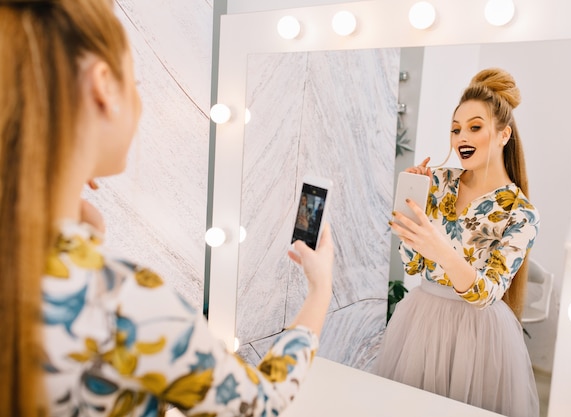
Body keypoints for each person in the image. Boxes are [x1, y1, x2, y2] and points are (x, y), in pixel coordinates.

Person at [0, 1, 334, 416]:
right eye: (135, 81)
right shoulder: (123, 299)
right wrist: (320, 290)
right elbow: (257, 405)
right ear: (103, 86)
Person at [374, 68, 540, 417]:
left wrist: (441, 250)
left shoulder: (520, 213)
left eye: (475, 127)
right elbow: (413, 264)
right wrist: (412, 208)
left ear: (503, 134)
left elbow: (486, 293)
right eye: (456, 129)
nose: (461, 136)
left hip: (479, 335)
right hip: (421, 317)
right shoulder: (440, 182)